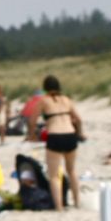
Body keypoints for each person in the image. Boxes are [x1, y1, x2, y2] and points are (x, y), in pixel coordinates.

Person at [35, 76, 82, 210]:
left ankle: (59, 206)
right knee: (72, 171)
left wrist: (31, 135)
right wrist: (79, 133)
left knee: (54, 175)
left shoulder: (43, 101)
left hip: (55, 135)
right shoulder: (66, 99)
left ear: (45, 87)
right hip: (70, 134)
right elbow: (78, 119)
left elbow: (32, 120)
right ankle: (77, 202)